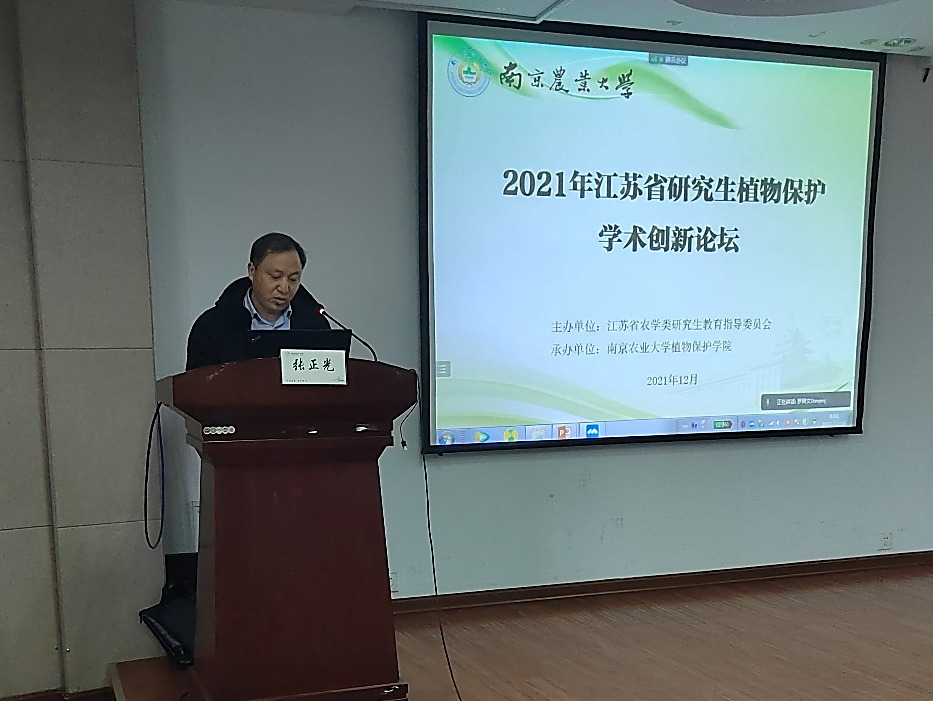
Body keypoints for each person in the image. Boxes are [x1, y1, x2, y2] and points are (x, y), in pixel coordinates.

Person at [186, 232, 330, 370]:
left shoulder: (316, 326)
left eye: (293, 279)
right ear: (252, 271)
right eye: (275, 277)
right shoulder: (212, 327)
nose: (284, 288)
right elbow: (197, 384)